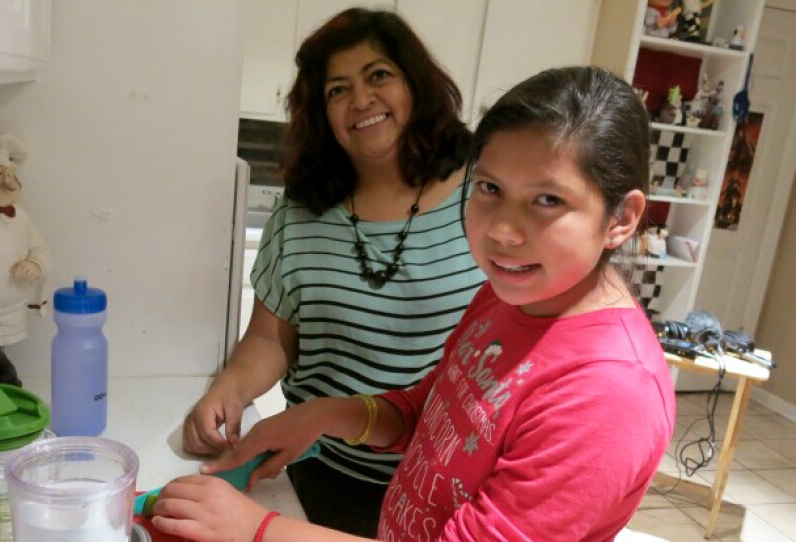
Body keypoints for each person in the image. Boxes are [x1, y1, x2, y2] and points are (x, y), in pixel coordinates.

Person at [154, 66, 677, 542]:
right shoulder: (506, 297)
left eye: (548, 200)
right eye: (490, 187)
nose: (500, 230)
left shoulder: (610, 389)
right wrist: (323, 415)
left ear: (622, 218)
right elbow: (430, 416)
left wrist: (259, 530)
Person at [181, 7, 485, 535]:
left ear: (416, 81)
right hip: (317, 469)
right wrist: (227, 389)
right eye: (337, 89)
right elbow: (272, 337)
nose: (361, 99)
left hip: (447, 486)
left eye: (379, 75)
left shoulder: (485, 197)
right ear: (321, 113)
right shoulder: (301, 210)